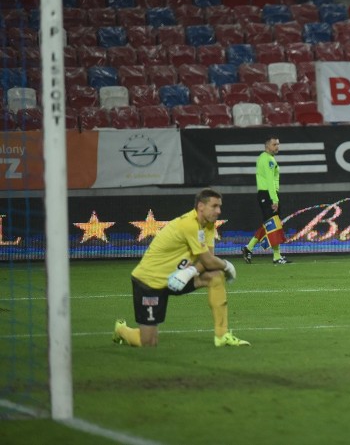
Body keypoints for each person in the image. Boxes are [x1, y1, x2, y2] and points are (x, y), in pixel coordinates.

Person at [112, 188, 249, 348]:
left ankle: (222, 335)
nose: (219, 211)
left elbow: (207, 261)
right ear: (201, 206)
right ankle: (121, 330)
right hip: (150, 282)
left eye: (220, 206)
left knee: (215, 276)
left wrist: (190, 272)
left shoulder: (209, 226)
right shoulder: (189, 225)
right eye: (214, 206)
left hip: (177, 278)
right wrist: (227, 265)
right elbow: (210, 261)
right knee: (148, 342)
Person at [242, 136, 289, 265]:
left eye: (278, 144)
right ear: (267, 146)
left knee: (270, 225)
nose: (277, 147)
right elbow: (270, 181)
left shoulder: (265, 158)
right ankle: (276, 256)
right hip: (268, 195)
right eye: (274, 144)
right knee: (273, 225)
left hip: (267, 194)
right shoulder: (268, 160)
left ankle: (248, 248)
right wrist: (274, 199)